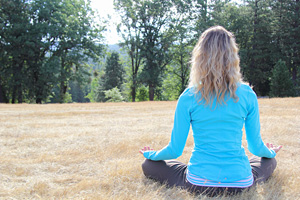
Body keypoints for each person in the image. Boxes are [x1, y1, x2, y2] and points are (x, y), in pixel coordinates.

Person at [139, 26, 282, 196]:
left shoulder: (189, 96)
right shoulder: (247, 94)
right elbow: (256, 147)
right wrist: (270, 152)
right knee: (268, 160)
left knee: (148, 165)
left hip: (199, 183)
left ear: (200, 57)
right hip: (241, 182)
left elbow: (175, 150)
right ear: (233, 56)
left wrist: (152, 154)